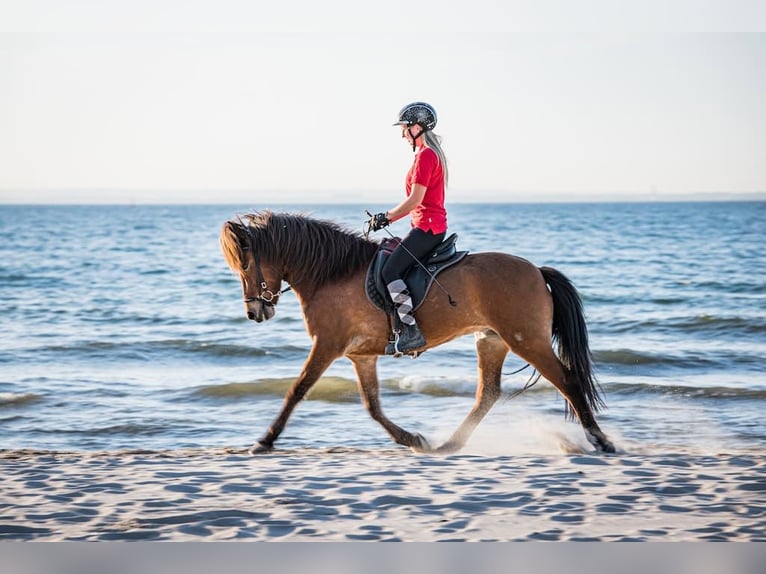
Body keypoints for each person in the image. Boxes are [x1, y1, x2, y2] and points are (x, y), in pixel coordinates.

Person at [370, 101, 449, 355]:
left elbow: (415, 200)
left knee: (391, 270)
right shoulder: (425, 154)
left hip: (428, 228)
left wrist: (386, 218)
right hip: (424, 225)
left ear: (417, 127)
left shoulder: (426, 156)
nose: (402, 134)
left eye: (404, 128)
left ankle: (411, 330)